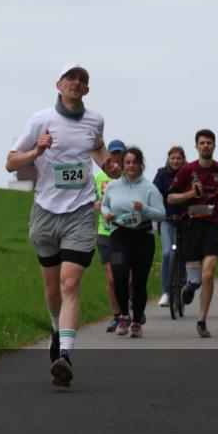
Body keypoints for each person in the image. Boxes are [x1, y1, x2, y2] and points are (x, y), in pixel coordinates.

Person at [7, 64, 118, 387]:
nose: (76, 83)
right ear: (59, 85)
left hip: (81, 212)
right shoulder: (40, 119)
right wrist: (37, 150)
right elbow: (11, 161)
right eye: (71, 78)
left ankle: (66, 354)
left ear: (86, 90)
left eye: (82, 80)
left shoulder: (94, 120)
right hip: (45, 211)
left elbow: (97, 147)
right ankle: (57, 331)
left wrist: (107, 163)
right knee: (53, 287)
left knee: (70, 284)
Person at [167, 129, 218, 338]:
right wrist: (190, 194)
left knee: (208, 273)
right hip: (192, 225)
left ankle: (202, 320)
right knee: (196, 279)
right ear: (196, 147)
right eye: (202, 143)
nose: (206, 146)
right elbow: (170, 198)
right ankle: (190, 286)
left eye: (209, 143)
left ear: (214, 146)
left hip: (214, 224)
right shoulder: (187, 170)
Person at [102, 147, 166, 337]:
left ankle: (137, 321)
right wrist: (107, 214)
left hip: (142, 237)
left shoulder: (149, 188)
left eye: (134, 163)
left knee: (139, 282)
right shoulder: (113, 186)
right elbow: (104, 204)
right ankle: (123, 315)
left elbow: (162, 215)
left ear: (140, 165)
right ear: (122, 164)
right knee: (119, 277)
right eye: (127, 162)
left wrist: (144, 208)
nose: (131, 166)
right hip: (119, 236)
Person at [94, 139, 126, 331]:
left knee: (128, 278)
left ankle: (131, 307)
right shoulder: (98, 178)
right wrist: (96, 205)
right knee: (112, 278)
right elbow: (90, 198)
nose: (116, 157)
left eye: (119, 153)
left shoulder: (130, 176)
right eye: (113, 153)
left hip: (125, 232)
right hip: (105, 232)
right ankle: (117, 315)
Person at [153, 145, 187, 308]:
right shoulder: (161, 174)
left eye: (178, 158)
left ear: (183, 159)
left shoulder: (189, 173)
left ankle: (183, 283)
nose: (175, 161)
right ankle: (166, 292)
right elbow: (154, 192)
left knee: (184, 254)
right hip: (166, 219)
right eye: (172, 158)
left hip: (185, 219)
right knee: (167, 253)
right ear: (168, 159)